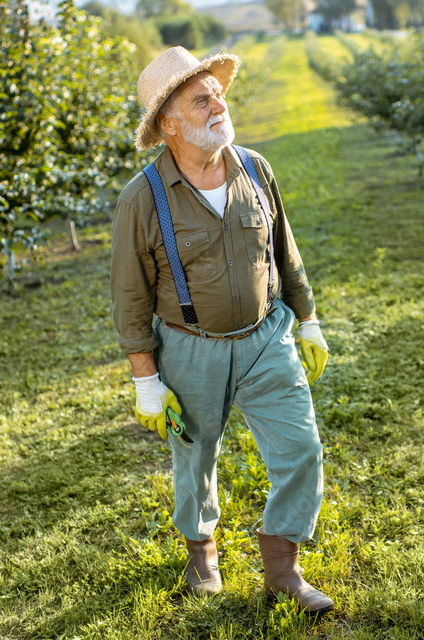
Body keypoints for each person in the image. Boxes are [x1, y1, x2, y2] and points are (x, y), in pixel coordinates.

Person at [110, 46, 332, 616]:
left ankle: (283, 569)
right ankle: (202, 553)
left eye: (217, 93)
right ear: (169, 123)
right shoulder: (142, 199)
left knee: (301, 447)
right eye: (200, 98)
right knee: (195, 457)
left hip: (266, 340)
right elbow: (130, 297)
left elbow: (285, 250)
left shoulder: (256, 169)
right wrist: (145, 380)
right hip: (190, 349)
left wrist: (307, 321)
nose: (218, 104)